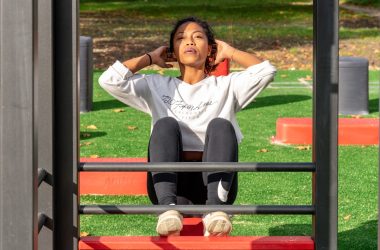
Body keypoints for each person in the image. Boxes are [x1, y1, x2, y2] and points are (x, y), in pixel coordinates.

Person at [99, 16, 276, 237]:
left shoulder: (227, 85)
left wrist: (229, 52)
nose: (190, 42)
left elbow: (267, 71)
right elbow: (109, 80)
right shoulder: (156, 85)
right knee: (165, 125)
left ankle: (215, 210)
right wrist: (150, 58)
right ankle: (167, 209)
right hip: (170, 186)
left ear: (210, 49)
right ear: (172, 50)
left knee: (221, 125)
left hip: (216, 185)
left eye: (198, 37)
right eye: (181, 38)